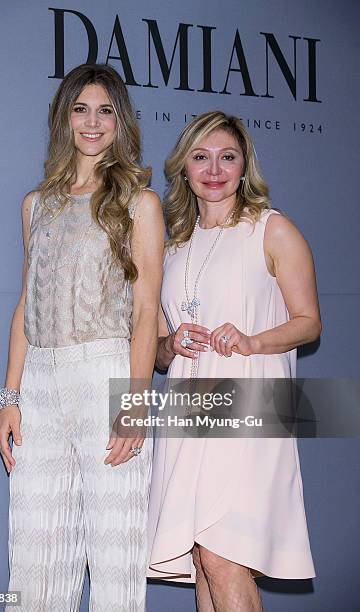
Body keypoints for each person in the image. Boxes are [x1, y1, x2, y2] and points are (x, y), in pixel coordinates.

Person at [0, 63, 164, 612]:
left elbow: (144, 313)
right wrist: (10, 397)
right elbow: (27, 304)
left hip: (107, 372)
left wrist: (134, 402)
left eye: (106, 110)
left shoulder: (140, 203)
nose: (93, 123)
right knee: (35, 547)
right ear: (64, 118)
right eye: (81, 108)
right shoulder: (35, 204)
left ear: (122, 121)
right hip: (41, 379)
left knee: (116, 551)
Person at [147, 111, 321, 611]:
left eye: (228, 156)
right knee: (203, 560)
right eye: (201, 157)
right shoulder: (174, 247)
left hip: (250, 413)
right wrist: (172, 342)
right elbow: (159, 351)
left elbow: (308, 321)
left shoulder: (272, 229)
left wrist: (252, 341)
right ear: (184, 167)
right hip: (189, 416)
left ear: (245, 166)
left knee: (225, 557)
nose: (215, 168)